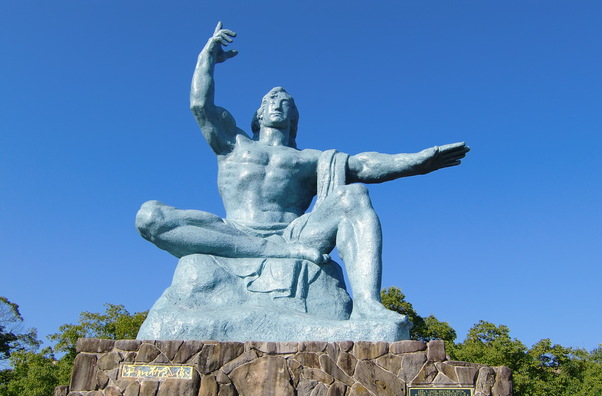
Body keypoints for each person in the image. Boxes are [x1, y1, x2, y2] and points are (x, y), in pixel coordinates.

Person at [136, 22, 469, 322]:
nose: (278, 104)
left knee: (354, 195)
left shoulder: (310, 159)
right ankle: (269, 252)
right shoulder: (233, 144)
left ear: (294, 118)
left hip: (294, 235)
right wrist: (206, 58)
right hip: (235, 231)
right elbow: (200, 105)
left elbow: (364, 165)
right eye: (270, 100)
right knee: (150, 216)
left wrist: (416, 162)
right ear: (258, 115)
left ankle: (368, 305)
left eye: (287, 103)